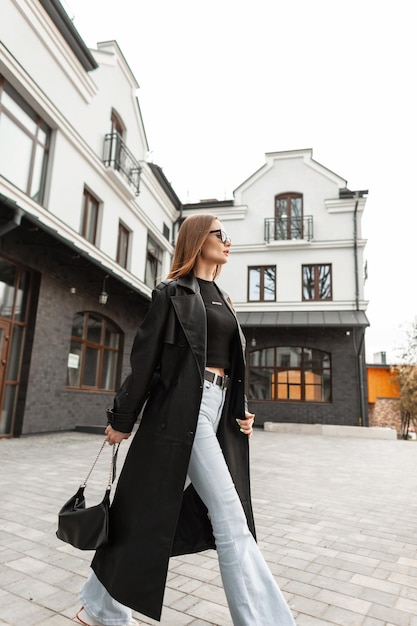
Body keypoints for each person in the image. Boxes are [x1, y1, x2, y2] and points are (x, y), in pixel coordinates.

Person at [76, 214, 296, 626]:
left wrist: (239, 409)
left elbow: (232, 365)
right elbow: (145, 363)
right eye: (220, 234)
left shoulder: (226, 301)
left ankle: (98, 606)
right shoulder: (171, 293)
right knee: (231, 519)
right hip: (182, 412)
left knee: (144, 514)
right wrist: (122, 418)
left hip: (217, 413)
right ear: (198, 238)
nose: (228, 242)